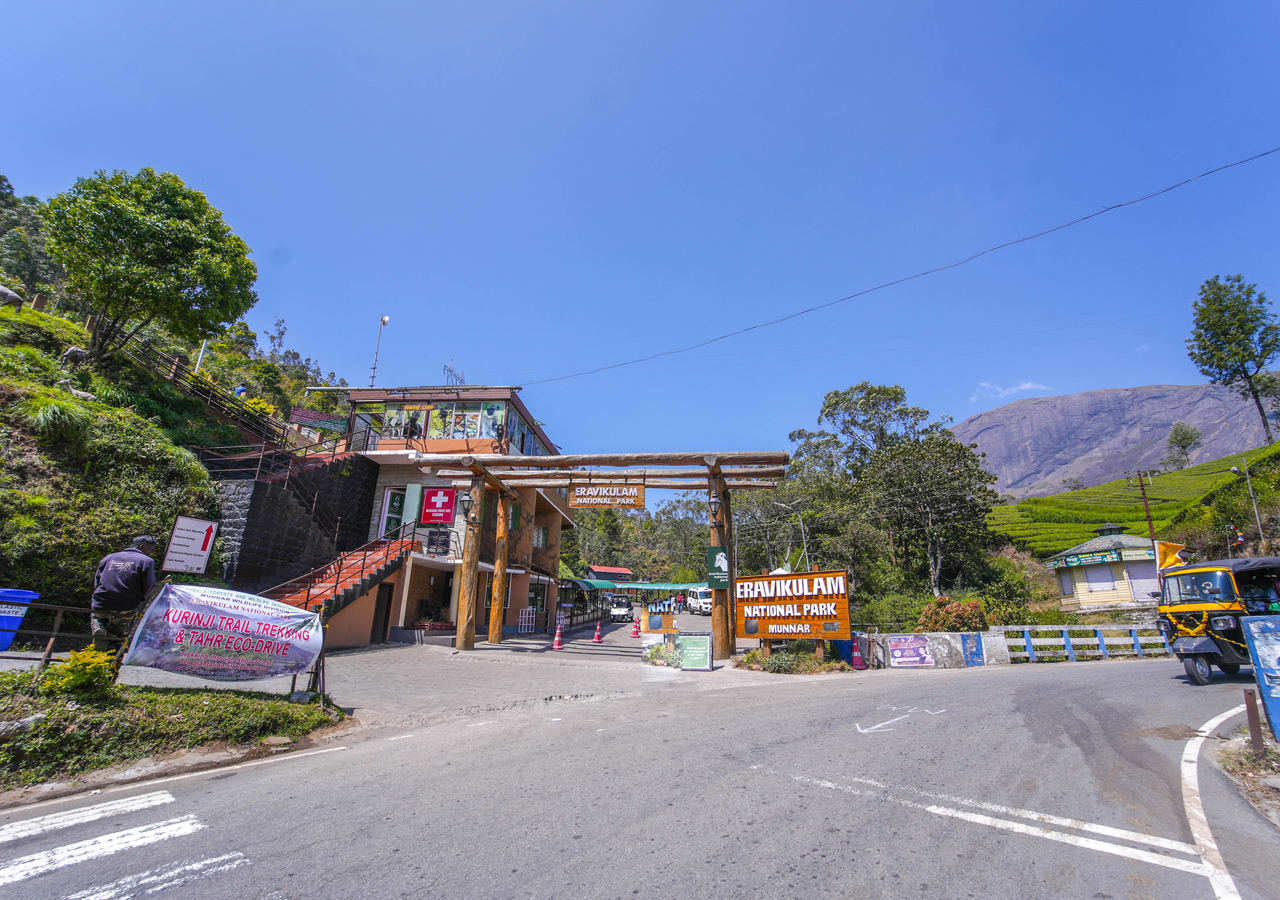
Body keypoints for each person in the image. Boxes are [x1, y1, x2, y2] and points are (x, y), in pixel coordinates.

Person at [90, 536, 159, 654]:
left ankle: (98, 627)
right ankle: (111, 668)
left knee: (97, 616)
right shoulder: (146, 561)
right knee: (118, 637)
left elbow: (97, 580)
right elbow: (148, 585)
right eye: (151, 549)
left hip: (101, 600)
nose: (152, 552)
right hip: (126, 604)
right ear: (141, 547)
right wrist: (140, 600)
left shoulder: (109, 557)